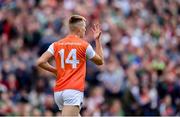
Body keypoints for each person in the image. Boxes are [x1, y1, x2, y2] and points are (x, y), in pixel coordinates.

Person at [36, 15, 104, 116]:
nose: (85, 30)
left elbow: (41, 61)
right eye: (84, 28)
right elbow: (100, 61)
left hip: (59, 91)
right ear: (79, 29)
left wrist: (55, 70)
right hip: (73, 91)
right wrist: (97, 40)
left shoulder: (56, 44)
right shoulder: (84, 45)